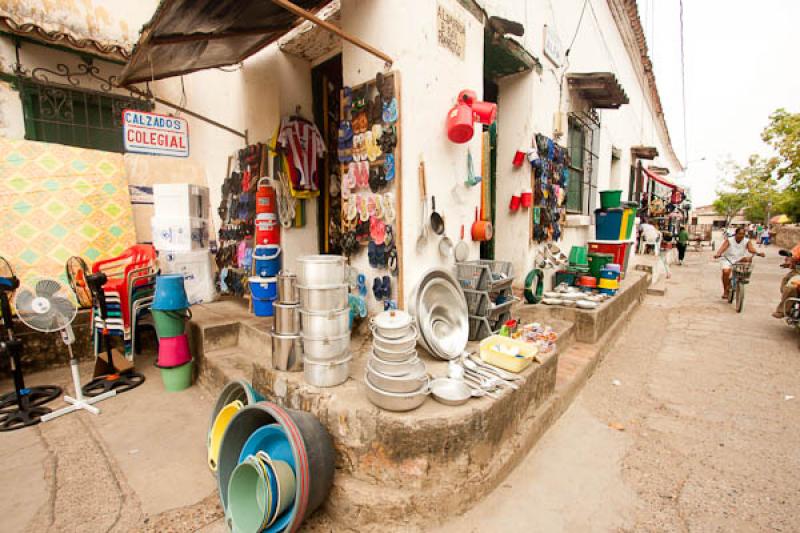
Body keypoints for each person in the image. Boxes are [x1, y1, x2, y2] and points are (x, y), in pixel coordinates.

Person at [713, 227, 765, 299]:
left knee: (748, 259)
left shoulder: (747, 241)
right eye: (740, 234)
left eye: (743, 234)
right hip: (728, 259)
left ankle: (740, 281)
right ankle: (725, 290)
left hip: (740, 259)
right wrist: (718, 253)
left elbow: (751, 249)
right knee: (726, 272)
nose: (741, 235)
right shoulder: (729, 240)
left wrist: (758, 253)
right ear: (736, 234)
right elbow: (723, 248)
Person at [772, 242, 800, 319]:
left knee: (790, 286)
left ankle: (782, 311)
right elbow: (792, 255)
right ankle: (788, 305)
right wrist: (789, 262)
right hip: (797, 271)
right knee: (787, 281)